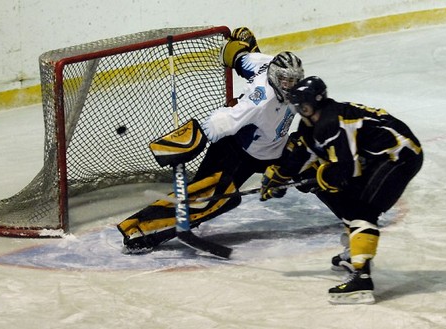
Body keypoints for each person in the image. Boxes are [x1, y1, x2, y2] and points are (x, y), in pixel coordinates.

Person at [117, 28, 305, 253]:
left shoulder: (266, 64)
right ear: (275, 77)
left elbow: (234, 55)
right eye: (285, 81)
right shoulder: (260, 101)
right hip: (235, 153)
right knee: (205, 199)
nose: (291, 86)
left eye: (294, 81)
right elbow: (224, 120)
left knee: (315, 166)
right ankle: (139, 228)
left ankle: (355, 218)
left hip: (274, 149)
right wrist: (195, 138)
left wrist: (245, 47)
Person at [259, 76, 423, 304]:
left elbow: (347, 170)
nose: (298, 109)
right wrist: (279, 176)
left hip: (399, 156)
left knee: (362, 210)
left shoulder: (331, 122)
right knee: (341, 196)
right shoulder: (310, 123)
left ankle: (362, 279)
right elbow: (305, 154)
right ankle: (356, 252)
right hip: (377, 157)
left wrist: (321, 179)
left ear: (314, 102)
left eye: (302, 105)